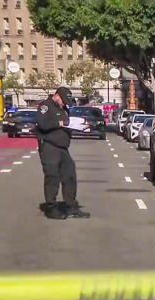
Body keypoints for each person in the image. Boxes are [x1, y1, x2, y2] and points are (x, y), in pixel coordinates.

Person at [36, 87, 90, 219]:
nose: (65, 104)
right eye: (63, 101)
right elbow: (42, 124)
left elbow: (67, 124)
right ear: (57, 96)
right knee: (52, 177)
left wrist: (81, 126)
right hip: (49, 146)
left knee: (70, 175)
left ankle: (71, 207)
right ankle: (51, 208)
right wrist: (59, 122)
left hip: (63, 148)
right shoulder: (45, 106)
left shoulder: (64, 109)